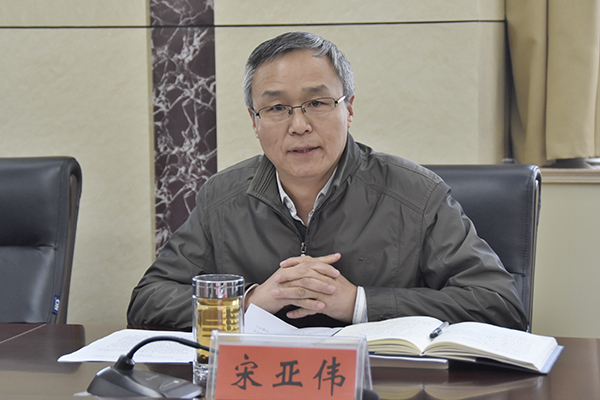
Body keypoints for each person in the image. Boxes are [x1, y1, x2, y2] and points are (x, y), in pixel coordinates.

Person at [127, 31, 528, 331]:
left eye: (317, 103)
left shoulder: (415, 194)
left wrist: (359, 303)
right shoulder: (222, 197)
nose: (299, 125)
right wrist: (247, 302)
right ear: (254, 121)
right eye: (277, 108)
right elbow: (148, 299)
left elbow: (499, 303)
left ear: (348, 109)